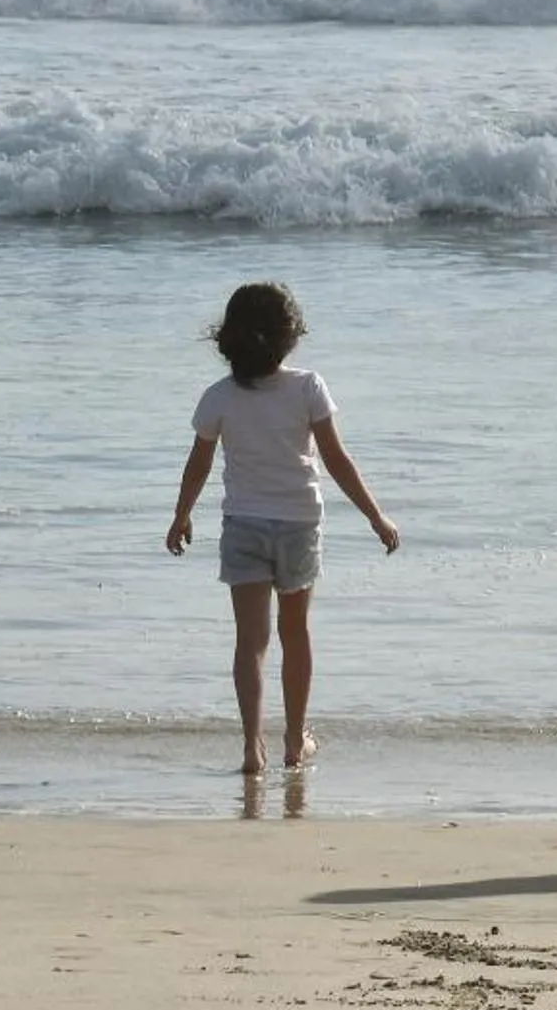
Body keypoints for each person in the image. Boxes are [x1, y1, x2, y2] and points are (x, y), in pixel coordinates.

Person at [166, 282, 400, 780]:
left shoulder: (218, 398)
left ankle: (253, 746)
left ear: (226, 339)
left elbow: (198, 466)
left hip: (244, 524)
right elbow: (336, 460)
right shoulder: (307, 387)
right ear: (288, 336)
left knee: (250, 642)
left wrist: (181, 515)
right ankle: (295, 741)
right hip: (298, 524)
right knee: (296, 634)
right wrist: (376, 516)